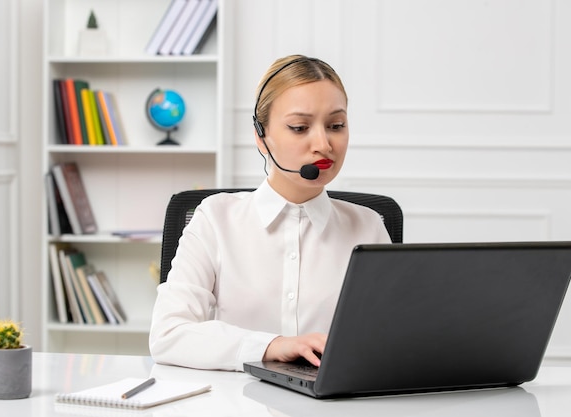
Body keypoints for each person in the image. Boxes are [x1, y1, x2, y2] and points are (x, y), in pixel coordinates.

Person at [149, 54, 391, 371]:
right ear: (261, 138)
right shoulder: (215, 219)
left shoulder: (369, 226)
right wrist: (270, 347)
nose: (323, 144)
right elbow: (169, 334)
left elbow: (391, 339)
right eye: (300, 127)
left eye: (336, 125)